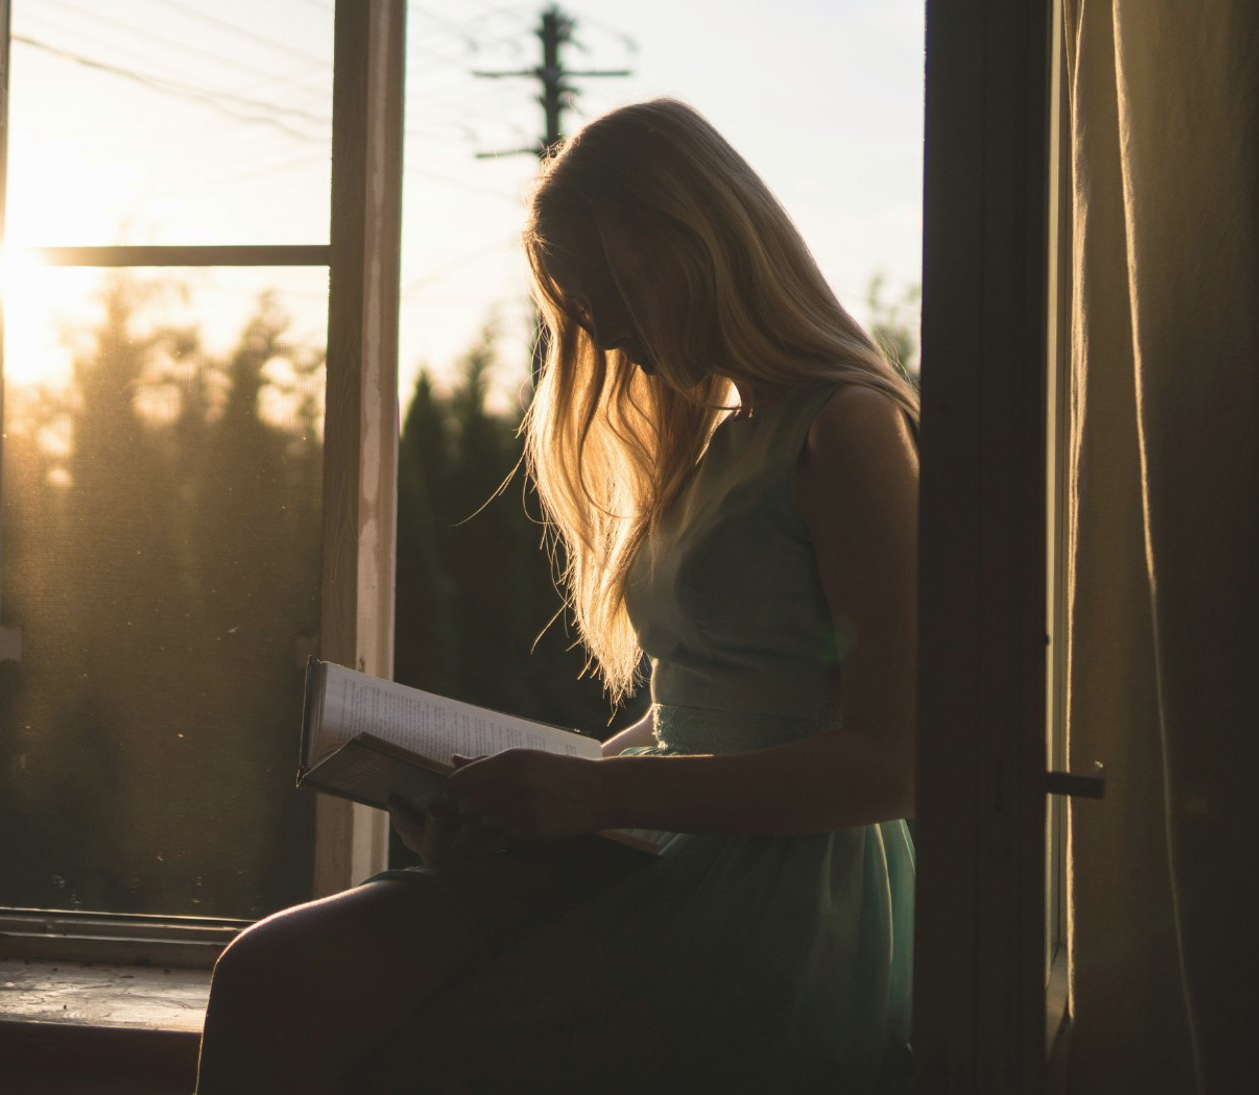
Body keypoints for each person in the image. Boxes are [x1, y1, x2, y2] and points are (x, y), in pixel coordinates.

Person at [196, 98, 919, 1094]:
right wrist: (507, 800)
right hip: (665, 841)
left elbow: (894, 763)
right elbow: (698, 707)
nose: (606, 335)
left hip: (778, 895)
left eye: (611, 289)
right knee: (271, 973)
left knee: (333, 1014)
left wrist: (600, 796)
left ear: (695, 244)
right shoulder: (726, 443)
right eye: (582, 309)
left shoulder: (851, 426)